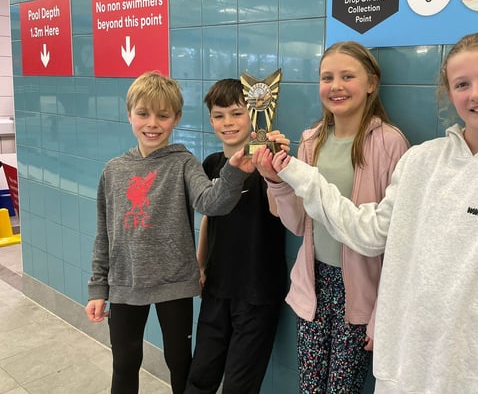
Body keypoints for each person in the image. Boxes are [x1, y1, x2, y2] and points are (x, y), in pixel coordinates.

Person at [257, 33, 478, 393]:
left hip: (468, 375)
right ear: (449, 93)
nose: (476, 94)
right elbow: (370, 232)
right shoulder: (423, 161)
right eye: (462, 84)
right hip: (402, 369)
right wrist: (293, 174)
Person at [85, 71, 256, 394]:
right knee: (124, 363)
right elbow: (104, 234)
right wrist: (98, 288)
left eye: (162, 115)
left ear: (175, 118)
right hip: (125, 284)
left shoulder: (184, 163)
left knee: (179, 362)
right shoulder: (114, 170)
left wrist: (233, 173)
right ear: (129, 115)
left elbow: (211, 203)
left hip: (174, 284)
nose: (152, 123)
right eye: (143, 114)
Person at [254, 41, 409, 393]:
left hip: (361, 291)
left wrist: (382, 311)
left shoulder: (390, 144)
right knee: (310, 386)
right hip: (314, 283)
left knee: (343, 388)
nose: (335, 86)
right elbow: (296, 223)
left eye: (347, 76)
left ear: (371, 83)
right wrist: (275, 180)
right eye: (327, 77)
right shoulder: (311, 141)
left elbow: (397, 239)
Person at [184, 79, 288, 394]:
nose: (227, 122)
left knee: (240, 385)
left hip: (258, 291)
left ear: (254, 115)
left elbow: (281, 214)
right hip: (217, 286)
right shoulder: (212, 164)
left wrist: (273, 170)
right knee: (200, 375)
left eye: (236, 113)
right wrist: (200, 266)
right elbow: (208, 218)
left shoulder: (273, 166)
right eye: (219, 115)